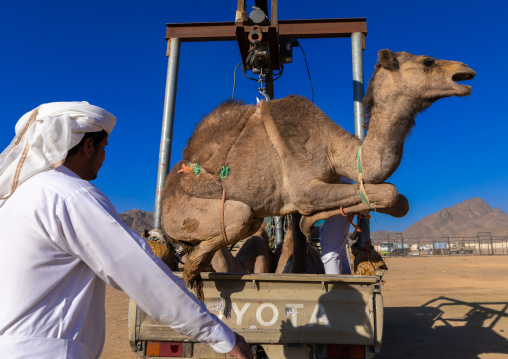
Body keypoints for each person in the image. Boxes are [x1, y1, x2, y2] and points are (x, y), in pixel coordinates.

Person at [0, 102, 253, 359]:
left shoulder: (17, 200)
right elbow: (143, 275)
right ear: (88, 147)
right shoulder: (69, 196)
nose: (103, 157)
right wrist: (222, 336)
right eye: (104, 147)